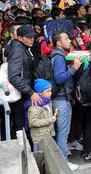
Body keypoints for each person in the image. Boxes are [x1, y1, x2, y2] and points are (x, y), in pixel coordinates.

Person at [50, 31, 82, 171]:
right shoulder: (58, 57)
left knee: (62, 132)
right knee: (62, 133)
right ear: (58, 43)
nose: (69, 40)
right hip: (61, 100)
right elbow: (59, 78)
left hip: (62, 99)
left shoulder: (59, 56)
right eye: (66, 38)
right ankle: (63, 162)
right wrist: (74, 68)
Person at [8, 25, 37, 139]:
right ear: (20, 38)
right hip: (20, 95)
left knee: (20, 127)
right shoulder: (18, 50)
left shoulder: (22, 48)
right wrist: (30, 92)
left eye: (33, 37)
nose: (32, 39)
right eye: (28, 37)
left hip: (22, 93)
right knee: (19, 128)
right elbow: (13, 77)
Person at [25, 79, 57, 151]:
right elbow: (32, 122)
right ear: (40, 93)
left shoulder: (47, 102)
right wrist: (50, 120)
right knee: (39, 158)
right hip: (39, 140)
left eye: (51, 91)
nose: (50, 93)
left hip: (47, 136)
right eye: (48, 91)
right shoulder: (35, 106)